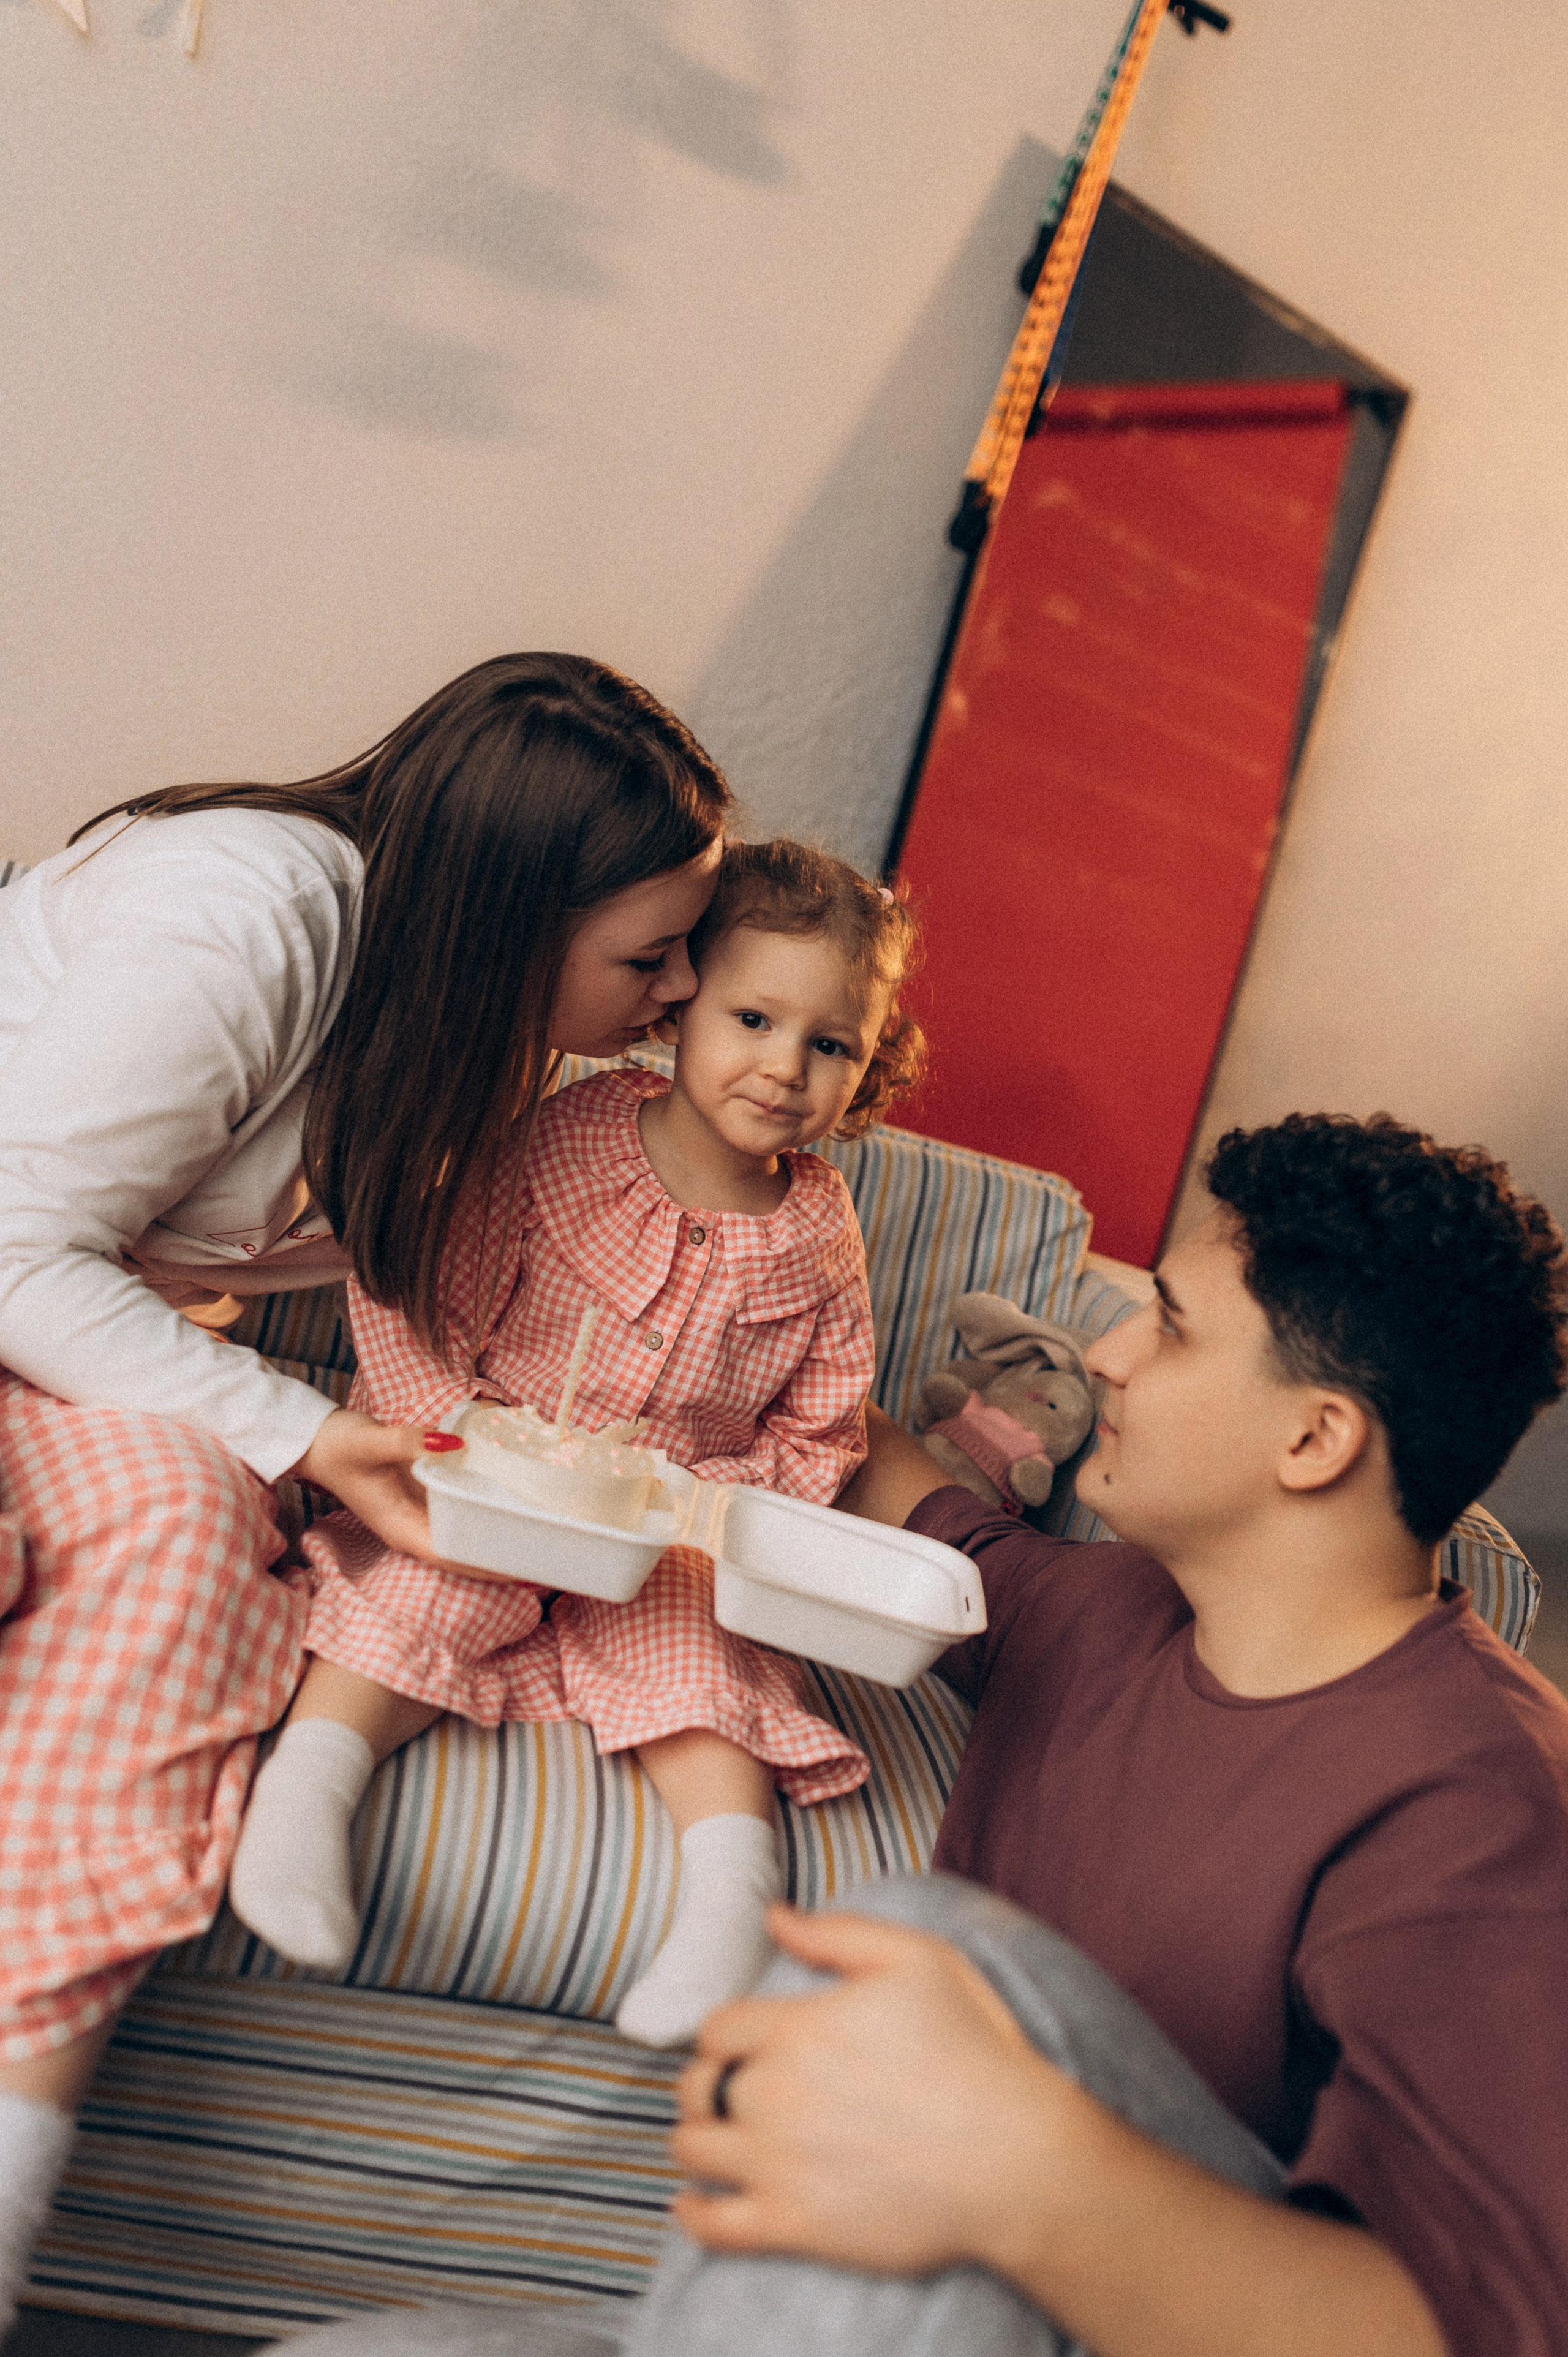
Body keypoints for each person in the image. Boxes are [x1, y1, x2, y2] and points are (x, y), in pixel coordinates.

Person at [270, 1113, 1568, 2357]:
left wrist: (1015, 2164)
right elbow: (915, 1500)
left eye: (1166, 1327)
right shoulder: (1101, 1614)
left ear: (1312, 1437)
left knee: (925, 1953)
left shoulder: (1476, 1809)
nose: (1105, 1354)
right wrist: (685, 1401)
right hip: (893, 2314)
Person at [0, 652, 733, 2331]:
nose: (683, 989)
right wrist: (300, 1427)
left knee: (193, 1543)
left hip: (60, 1339)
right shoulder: (243, 920)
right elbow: (20, 1237)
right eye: (651, 954)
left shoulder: (485, 1045)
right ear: (506, 915)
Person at [228, 839, 925, 2045]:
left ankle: (727, 1895)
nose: (783, 1065)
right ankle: (306, 1791)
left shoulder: (820, 1225)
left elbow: (823, 1416)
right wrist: (444, 1433)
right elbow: (425, 1291)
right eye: (753, 1017)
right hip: (499, 1473)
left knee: (704, 1667)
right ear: (680, 1006)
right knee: (417, 1591)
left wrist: (718, 1507)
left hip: (671, 1530)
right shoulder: (568, 1131)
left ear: (864, 1068)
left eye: (829, 1044)